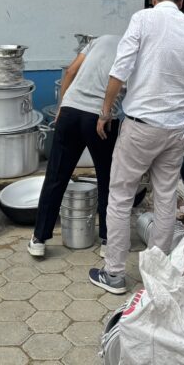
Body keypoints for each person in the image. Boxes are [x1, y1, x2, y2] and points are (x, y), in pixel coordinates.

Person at [89, 0, 184, 295]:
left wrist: (105, 111)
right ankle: (158, 274)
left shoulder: (143, 19)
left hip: (140, 126)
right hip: (174, 129)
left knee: (120, 197)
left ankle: (114, 274)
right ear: (182, 1)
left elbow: (120, 69)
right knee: (166, 199)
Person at [29, 35, 123, 259]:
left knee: (56, 176)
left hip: (70, 111)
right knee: (107, 179)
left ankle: (39, 239)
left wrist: (62, 106)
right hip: (100, 118)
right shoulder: (133, 48)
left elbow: (71, 71)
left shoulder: (99, 40)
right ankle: (107, 241)